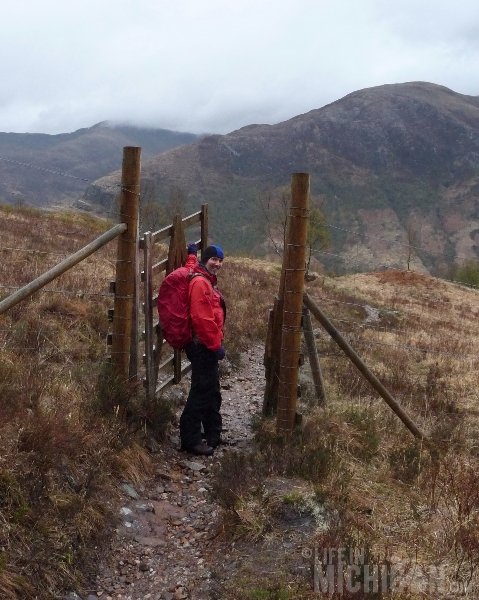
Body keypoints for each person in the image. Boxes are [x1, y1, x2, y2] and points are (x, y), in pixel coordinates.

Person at [180, 243, 226, 456]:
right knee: (201, 390)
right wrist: (215, 346)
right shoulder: (200, 282)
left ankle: (212, 434)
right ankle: (191, 440)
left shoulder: (203, 276)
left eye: (220, 260)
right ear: (205, 260)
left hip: (207, 344)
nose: (217, 263)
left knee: (211, 389)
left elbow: (192, 265)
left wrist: (191, 254)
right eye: (213, 259)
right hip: (202, 345)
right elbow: (202, 319)